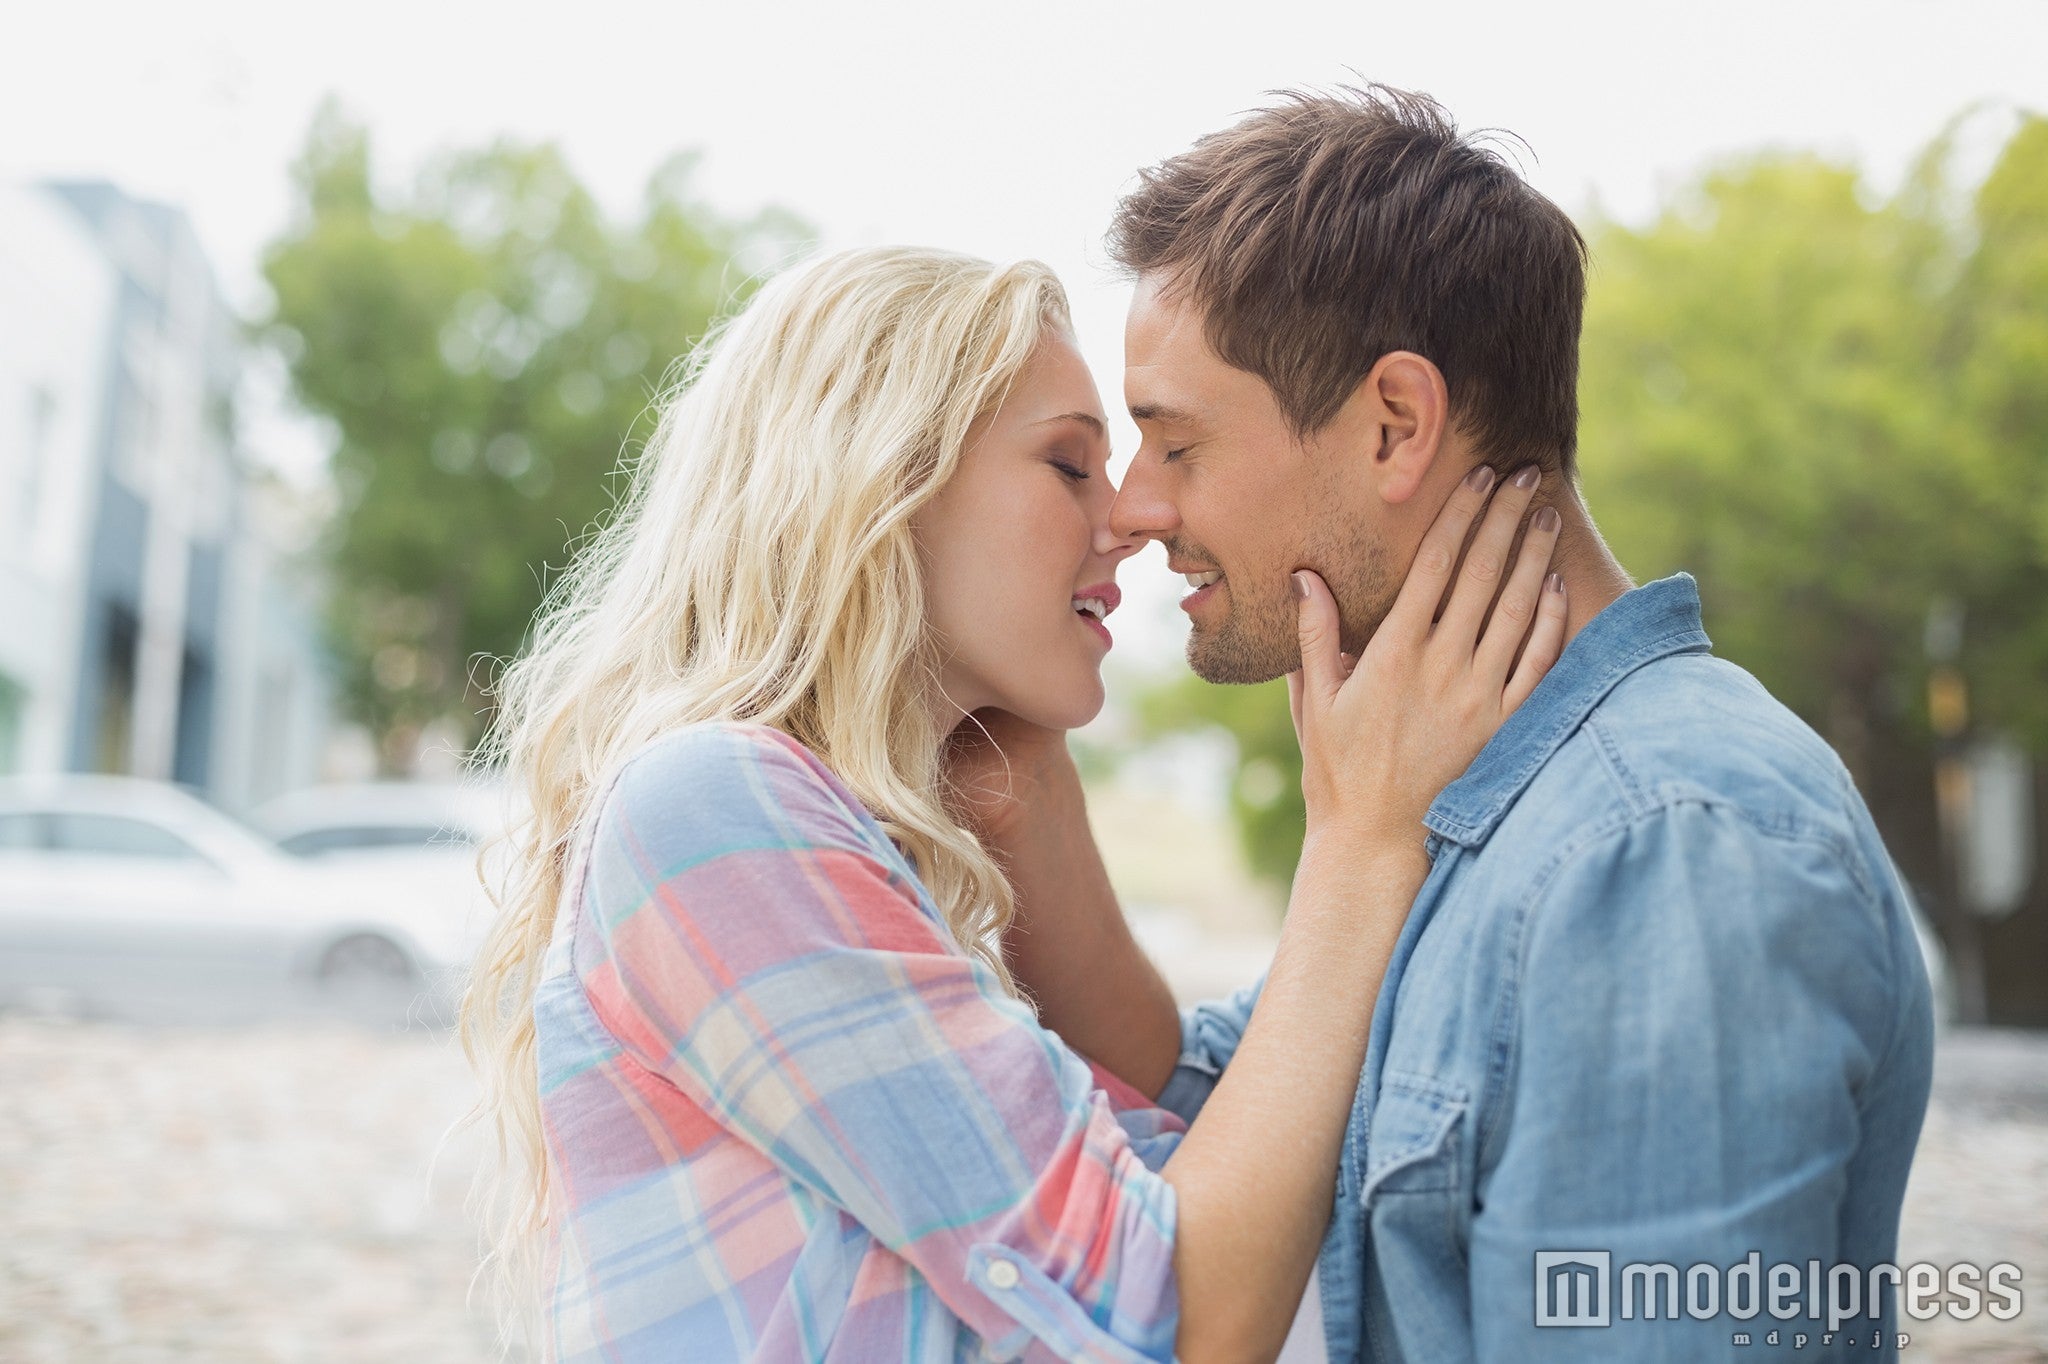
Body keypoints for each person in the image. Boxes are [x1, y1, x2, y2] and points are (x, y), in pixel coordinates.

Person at [458, 244, 1569, 1362]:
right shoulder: (710, 808)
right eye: (1068, 463)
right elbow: (1173, 1311)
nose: (1131, 511)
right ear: (882, 482)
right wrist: (1362, 838)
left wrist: (1028, 795)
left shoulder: (846, 841)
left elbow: (1211, 1143)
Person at [986, 85, 1938, 1362]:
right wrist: (1010, 722)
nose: (1134, 509)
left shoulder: (1660, 845)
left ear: (1394, 424)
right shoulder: (1448, 797)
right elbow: (1215, 1102)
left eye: (1174, 442)